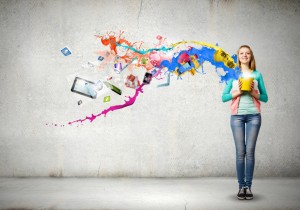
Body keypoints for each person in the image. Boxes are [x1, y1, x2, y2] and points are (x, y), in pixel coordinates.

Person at [222, 45, 268, 200]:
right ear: (238, 56)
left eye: (247, 53)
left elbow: (265, 97)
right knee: (240, 152)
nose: (244, 55)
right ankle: (241, 186)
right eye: (242, 53)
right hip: (237, 117)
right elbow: (224, 97)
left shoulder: (257, 74)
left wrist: (254, 93)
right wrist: (240, 91)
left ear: (251, 56)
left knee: (250, 152)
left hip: (254, 116)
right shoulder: (232, 74)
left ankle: (249, 186)